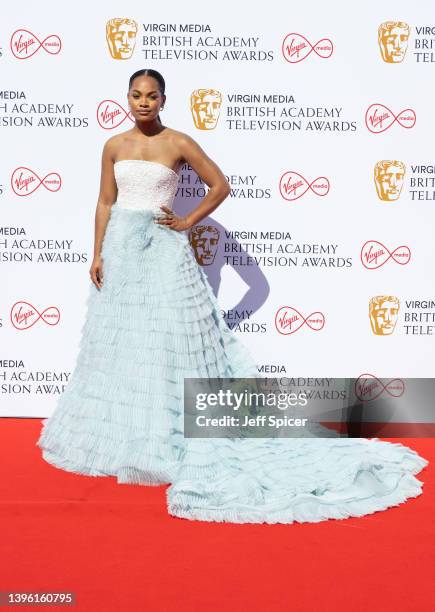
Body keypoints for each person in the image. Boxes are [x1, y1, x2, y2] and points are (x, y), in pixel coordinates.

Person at [37, 69, 429, 524]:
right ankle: (129, 439)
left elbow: (220, 185)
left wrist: (188, 222)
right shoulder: (113, 146)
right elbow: (105, 201)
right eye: (135, 95)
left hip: (165, 252)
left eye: (151, 96)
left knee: (169, 341)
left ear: (164, 99)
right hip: (122, 250)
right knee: (122, 342)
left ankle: (175, 435)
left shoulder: (178, 142)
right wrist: (98, 253)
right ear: (126, 98)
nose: (143, 103)